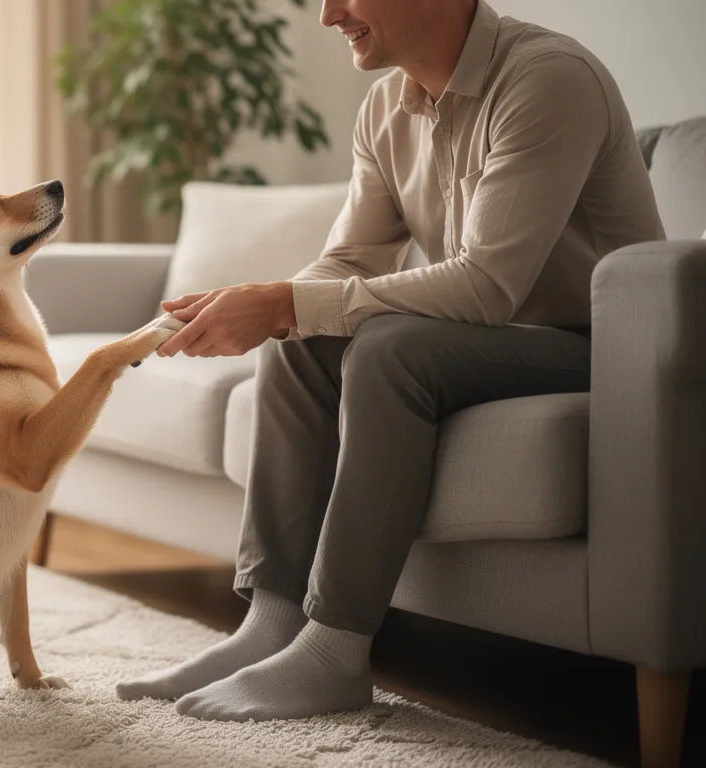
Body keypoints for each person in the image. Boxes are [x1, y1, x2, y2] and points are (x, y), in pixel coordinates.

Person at [115, 0, 664, 723]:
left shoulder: (547, 80)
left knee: (386, 348)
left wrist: (283, 301)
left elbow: (487, 284)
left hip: (605, 346)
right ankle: (271, 626)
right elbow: (348, 258)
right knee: (300, 342)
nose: (327, 15)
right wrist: (258, 307)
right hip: (487, 342)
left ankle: (335, 653)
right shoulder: (385, 108)